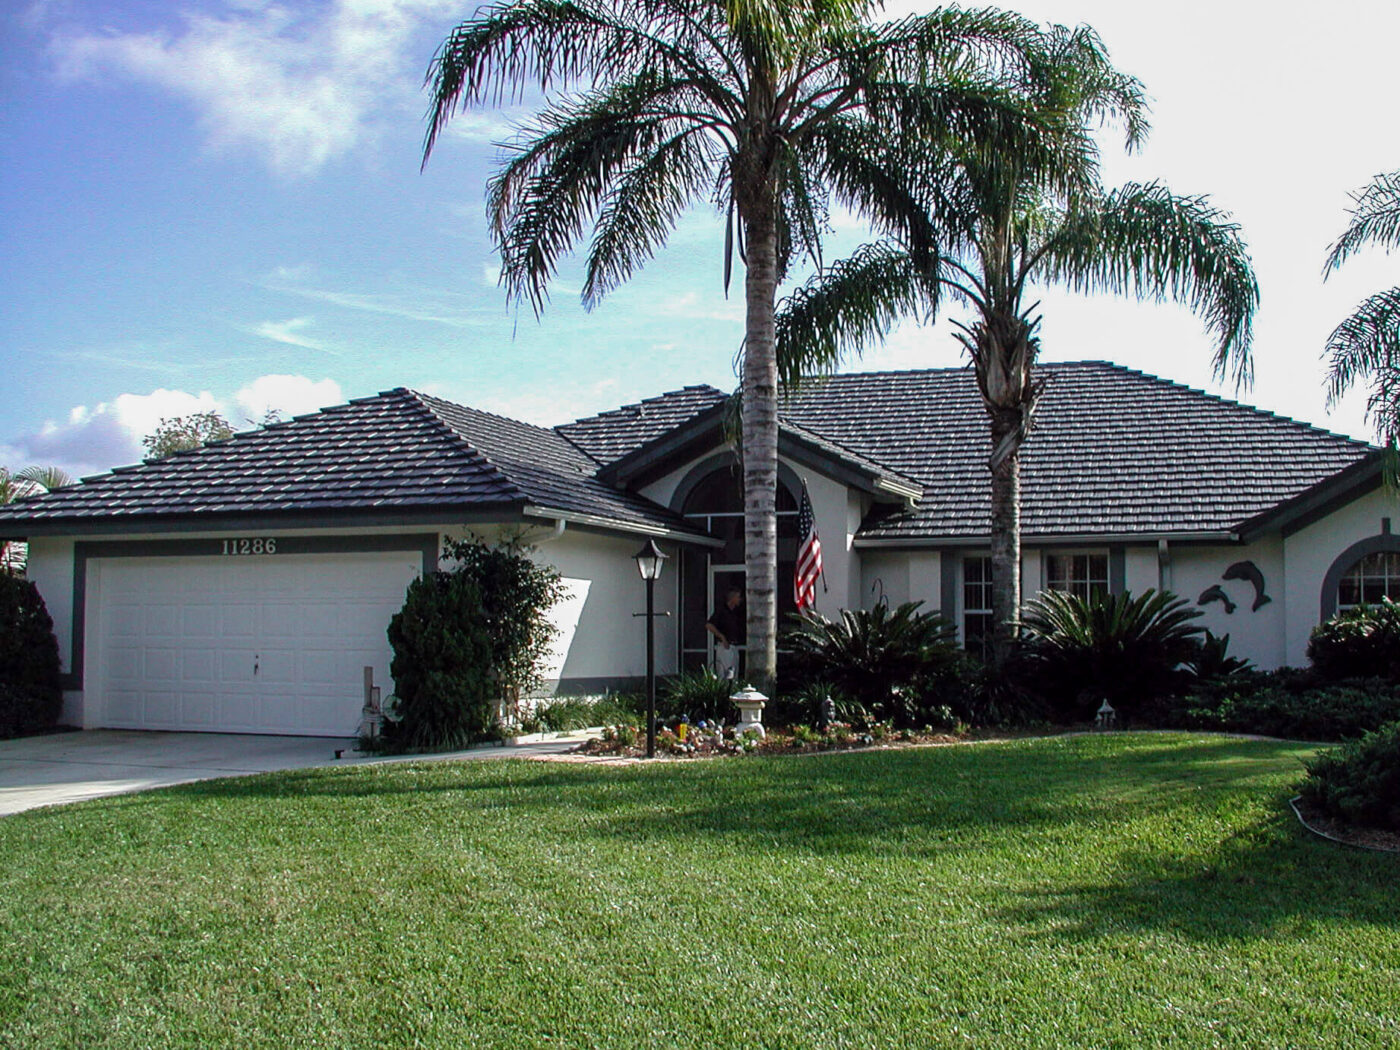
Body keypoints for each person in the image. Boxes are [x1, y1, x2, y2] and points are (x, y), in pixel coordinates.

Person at [705, 587, 745, 680]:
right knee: (725, 675)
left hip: (734, 646)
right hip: (725, 647)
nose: (740, 600)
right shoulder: (722, 611)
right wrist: (722, 637)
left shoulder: (735, 612)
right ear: (733, 598)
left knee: (734, 676)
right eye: (738, 597)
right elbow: (709, 625)